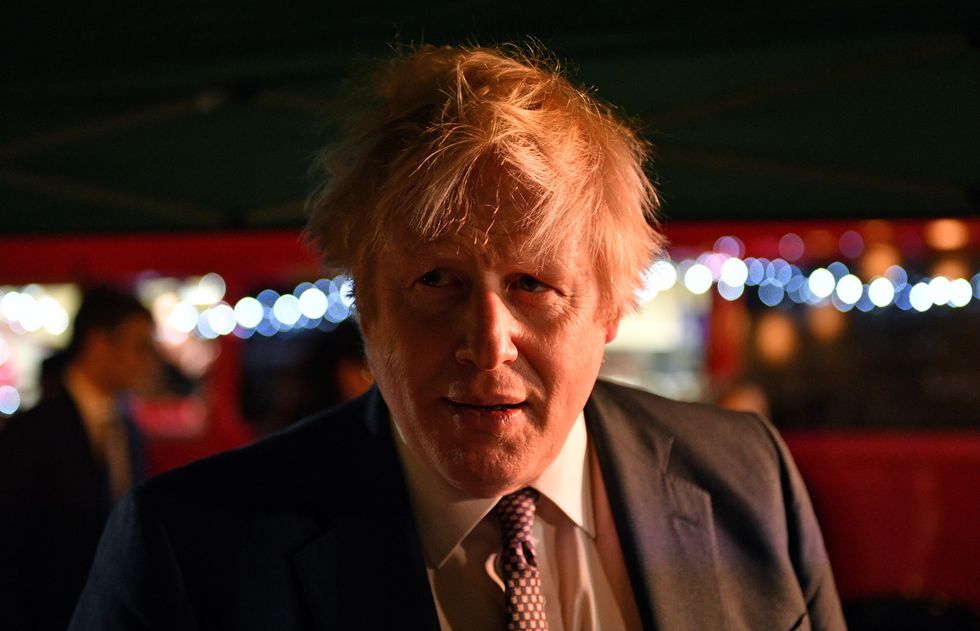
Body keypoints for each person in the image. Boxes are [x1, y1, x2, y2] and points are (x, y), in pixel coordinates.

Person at [69, 44, 845, 630]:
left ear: (611, 307)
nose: (487, 341)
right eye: (437, 281)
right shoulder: (189, 549)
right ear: (368, 304)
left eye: (534, 285)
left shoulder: (747, 478)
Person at [0, 286, 158, 631]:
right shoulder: (32, 432)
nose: (150, 361)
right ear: (100, 345)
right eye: (140, 347)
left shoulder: (127, 430)